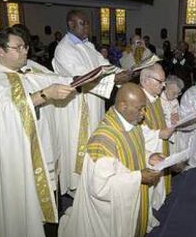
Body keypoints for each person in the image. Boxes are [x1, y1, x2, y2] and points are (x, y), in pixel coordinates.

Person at [0, 26, 77, 237]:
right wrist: (45, 94)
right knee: (25, 207)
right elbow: (6, 110)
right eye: (17, 48)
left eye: (26, 46)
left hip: (45, 149)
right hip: (17, 158)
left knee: (51, 204)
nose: (25, 52)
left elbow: (56, 78)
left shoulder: (31, 67)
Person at [59, 83, 163, 237]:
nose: (144, 113)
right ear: (123, 106)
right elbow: (101, 188)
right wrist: (139, 177)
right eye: (140, 108)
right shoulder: (103, 140)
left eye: (144, 108)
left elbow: (132, 151)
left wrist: (150, 156)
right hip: (109, 217)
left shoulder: (130, 122)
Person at [52, 9, 131, 195]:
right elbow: (81, 78)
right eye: (82, 23)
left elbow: (104, 65)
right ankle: (76, 186)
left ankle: (93, 178)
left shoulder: (87, 46)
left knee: (95, 140)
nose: (87, 27)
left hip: (93, 102)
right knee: (77, 143)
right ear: (71, 25)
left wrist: (121, 72)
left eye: (87, 23)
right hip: (76, 106)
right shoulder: (64, 49)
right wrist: (114, 80)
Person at [140, 63, 176, 210]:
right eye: (160, 82)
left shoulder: (154, 97)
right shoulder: (138, 98)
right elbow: (133, 131)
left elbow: (158, 120)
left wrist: (171, 120)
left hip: (158, 144)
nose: (163, 86)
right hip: (146, 152)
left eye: (164, 81)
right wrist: (159, 133)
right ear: (146, 81)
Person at [160, 75, 184, 153]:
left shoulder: (175, 101)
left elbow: (179, 115)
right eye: (174, 93)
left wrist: (178, 118)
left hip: (175, 135)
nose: (176, 96)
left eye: (178, 93)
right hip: (162, 138)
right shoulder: (158, 100)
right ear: (166, 88)